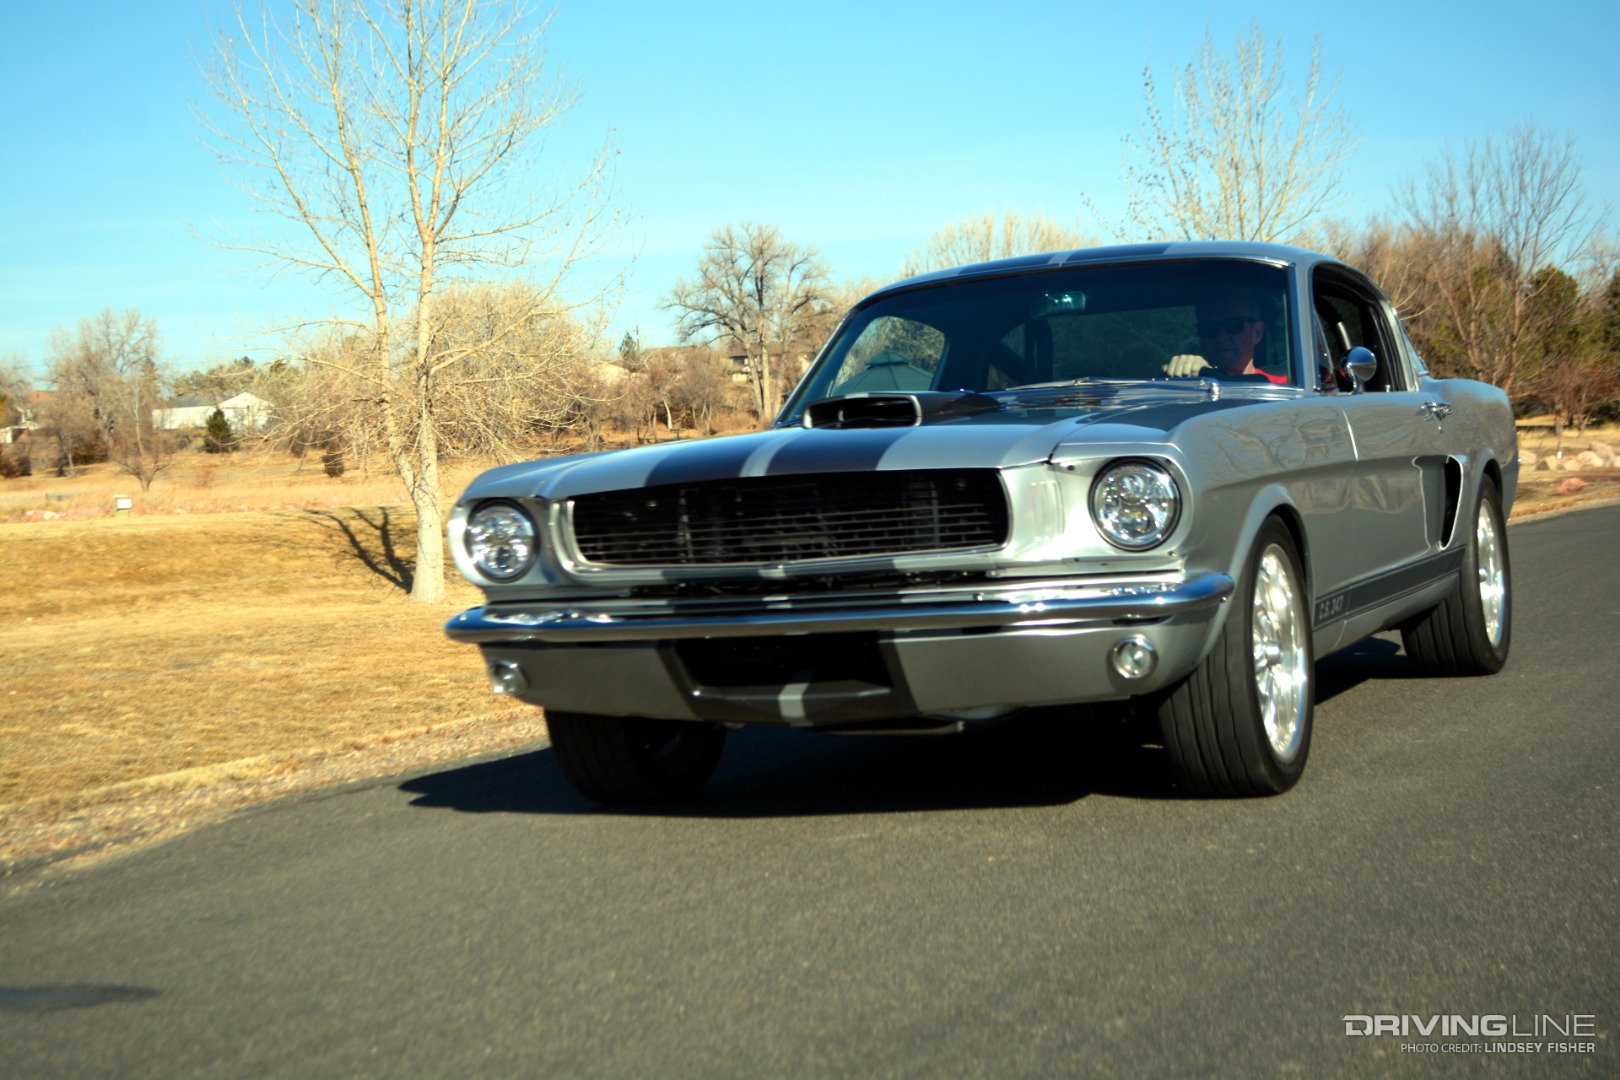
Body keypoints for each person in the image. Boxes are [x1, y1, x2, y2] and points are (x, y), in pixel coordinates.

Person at [1163, 291, 1288, 384]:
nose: (1221, 337)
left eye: (1233, 325)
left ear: (1257, 333)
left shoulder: (1283, 389)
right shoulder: (1185, 389)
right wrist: (1192, 373)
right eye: (1209, 328)